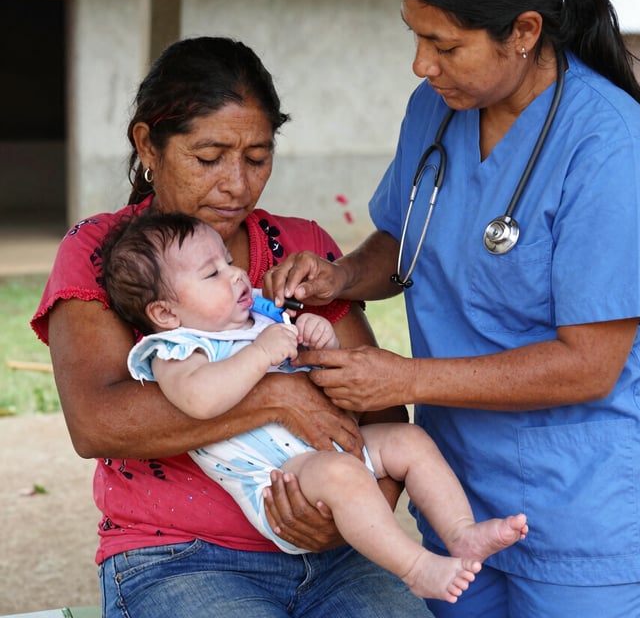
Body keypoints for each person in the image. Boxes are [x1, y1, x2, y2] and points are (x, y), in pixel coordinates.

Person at [264, 0, 640, 618]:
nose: (421, 63)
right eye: (415, 35)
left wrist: (402, 377)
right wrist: (342, 275)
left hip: (586, 505)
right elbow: (406, 241)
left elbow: (590, 362)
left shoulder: (610, 149)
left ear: (524, 31)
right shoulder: (437, 109)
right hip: (460, 496)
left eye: (446, 44)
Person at [30, 36, 440, 618]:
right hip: (176, 557)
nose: (236, 185)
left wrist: (358, 512)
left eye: (257, 158)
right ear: (147, 144)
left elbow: (378, 412)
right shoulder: (103, 253)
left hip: (335, 557)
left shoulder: (301, 251)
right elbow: (97, 423)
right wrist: (276, 396)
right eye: (208, 157)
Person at [100, 211, 529, 603]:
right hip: (278, 481)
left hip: (326, 450)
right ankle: (414, 568)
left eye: (228, 263)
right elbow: (199, 399)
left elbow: (310, 364)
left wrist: (317, 333)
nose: (234, 276)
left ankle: (461, 532)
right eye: (212, 273)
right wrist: (261, 354)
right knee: (342, 474)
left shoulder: (260, 318)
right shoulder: (178, 348)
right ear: (164, 312)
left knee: (409, 440)